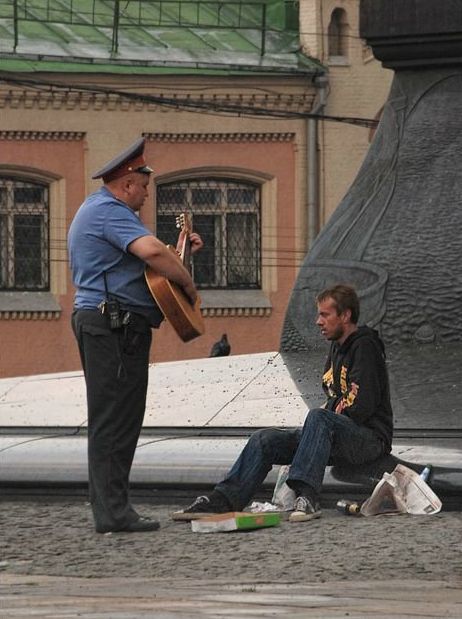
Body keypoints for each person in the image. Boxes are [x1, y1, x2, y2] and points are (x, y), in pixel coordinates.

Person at [68, 137, 203, 534]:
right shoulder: (110, 211)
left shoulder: (101, 210)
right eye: (144, 188)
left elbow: (147, 266)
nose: (146, 197)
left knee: (119, 417)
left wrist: (181, 257)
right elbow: (154, 254)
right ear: (127, 183)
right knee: (115, 419)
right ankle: (113, 513)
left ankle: (114, 508)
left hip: (112, 325)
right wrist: (190, 285)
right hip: (113, 326)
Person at [177, 284, 393, 523]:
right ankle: (224, 500)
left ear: (345, 315)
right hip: (337, 433)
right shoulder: (336, 347)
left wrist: (329, 411)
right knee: (265, 439)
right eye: (318, 314)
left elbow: (361, 406)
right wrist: (330, 413)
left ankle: (307, 497)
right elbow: (333, 396)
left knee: (318, 417)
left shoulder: (365, 346)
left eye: (324, 314)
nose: (318, 321)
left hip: (369, 439)